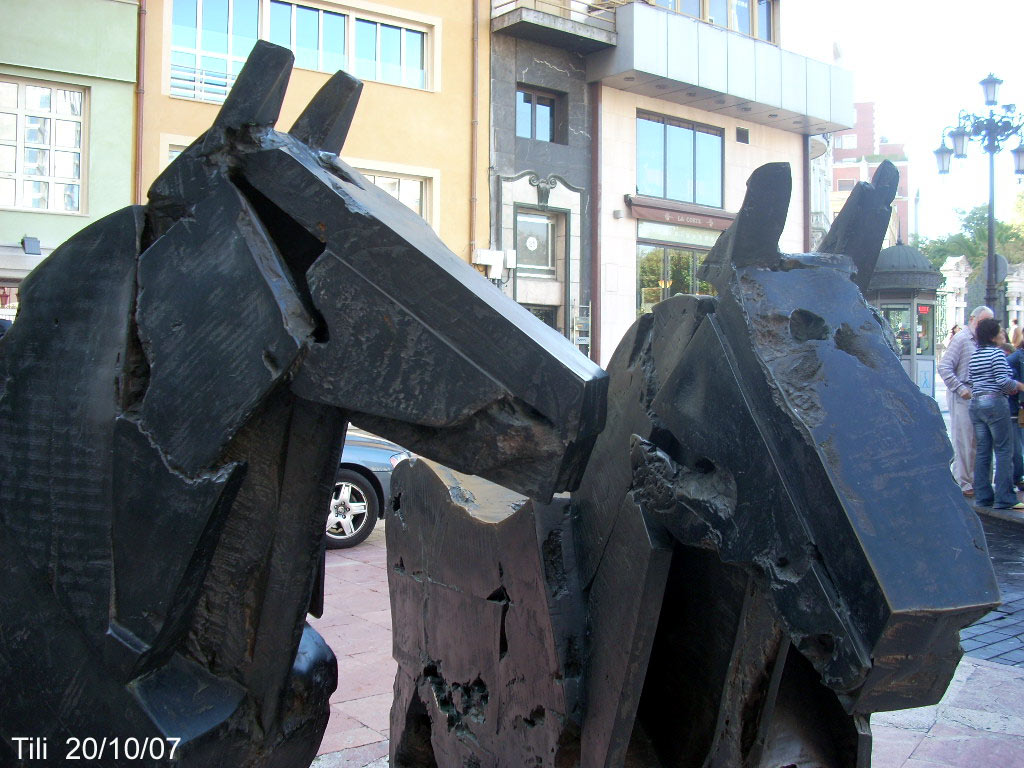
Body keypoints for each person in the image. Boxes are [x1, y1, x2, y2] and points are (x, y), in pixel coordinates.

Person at [967, 317, 1024, 510]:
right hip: (995, 403)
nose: (1003, 334)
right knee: (1003, 450)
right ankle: (1005, 497)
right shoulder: (997, 354)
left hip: (976, 404)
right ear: (992, 336)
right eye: (1000, 332)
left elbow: (971, 380)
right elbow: (1003, 381)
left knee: (983, 451)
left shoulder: (976, 355)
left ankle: (983, 496)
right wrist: (1019, 386)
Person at [938, 306, 994, 497]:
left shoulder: (985, 342)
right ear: (972, 320)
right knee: (964, 439)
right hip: (965, 394)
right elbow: (945, 366)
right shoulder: (962, 339)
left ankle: (976, 480)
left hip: (982, 395)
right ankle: (964, 482)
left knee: (980, 440)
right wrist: (960, 389)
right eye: (983, 322)